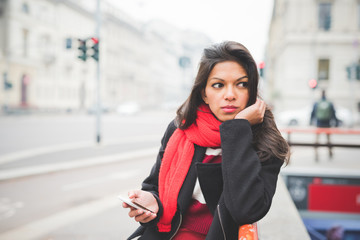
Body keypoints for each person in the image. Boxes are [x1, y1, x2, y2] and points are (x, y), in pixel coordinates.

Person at [122, 41, 290, 240]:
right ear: (204, 93)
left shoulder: (265, 141)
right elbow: (154, 186)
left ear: (251, 91)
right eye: (218, 85)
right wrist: (150, 202)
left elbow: (247, 210)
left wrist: (237, 130)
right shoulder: (181, 129)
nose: (230, 95)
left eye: (241, 84)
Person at [310, 90, 339, 160]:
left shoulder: (317, 103)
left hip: (319, 124)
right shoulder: (329, 103)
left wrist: (311, 121)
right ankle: (330, 152)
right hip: (327, 124)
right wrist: (336, 122)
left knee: (317, 140)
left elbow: (313, 113)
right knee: (328, 140)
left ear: (320, 94)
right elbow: (333, 113)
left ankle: (316, 153)